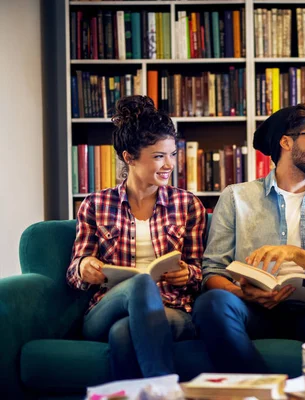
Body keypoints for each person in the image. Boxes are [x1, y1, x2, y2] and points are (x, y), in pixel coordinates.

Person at [192, 103, 305, 373]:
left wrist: (297, 254)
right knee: (211, 304)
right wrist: (241, 293)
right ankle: (260, 388)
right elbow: (212, 271)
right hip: (251, 308)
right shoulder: (236, 197)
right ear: (286, 142)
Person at [66, 95, 206, 379]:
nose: (169, 165)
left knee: (123, 334)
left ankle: (145, 393)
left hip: (172, 308)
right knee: (140, 283)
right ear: (129, 157)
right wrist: (84, 268)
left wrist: (187, 274)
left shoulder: (188, 205)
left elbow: (200, 270)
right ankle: (165, 391)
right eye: (158, 156)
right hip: (107, 308)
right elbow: (74, 272)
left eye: (172, 154)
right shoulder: (95, 204)